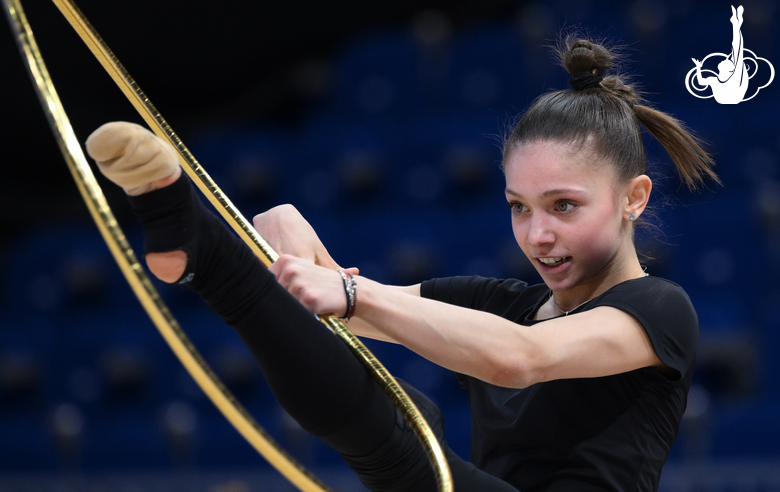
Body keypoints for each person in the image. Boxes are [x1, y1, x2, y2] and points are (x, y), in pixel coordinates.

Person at [86, 35, 718, 492]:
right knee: (402, 413)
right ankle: (201, 256)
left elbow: (521, 358)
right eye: (519, 207)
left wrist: (347, 293)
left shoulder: (659, 309)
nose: (538, 234)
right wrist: (290, 247)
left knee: (410, 450)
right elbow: (340, 310)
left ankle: (214, 263)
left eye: (564, 206)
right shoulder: (500, 303)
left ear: (633, 198)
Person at [691, 5, 748, 104]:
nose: (725, 59)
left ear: (730, 70)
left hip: (733, 98)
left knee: (737, 51)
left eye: (728, 61)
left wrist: (736, 26)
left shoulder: (735, 78)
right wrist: (698, 67)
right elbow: (700, 82)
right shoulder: (714, 80)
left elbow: (737, 48)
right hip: (723, 101)